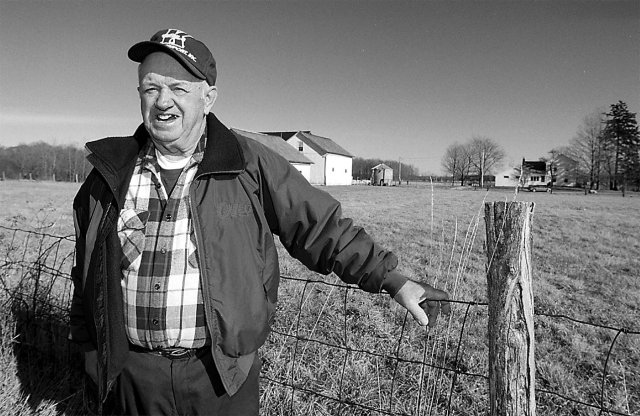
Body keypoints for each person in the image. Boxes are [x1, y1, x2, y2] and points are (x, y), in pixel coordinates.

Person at [69, 28, 450, 416]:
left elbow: (320, 228)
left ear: (208, 98)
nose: (163, 101)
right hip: (133, 377)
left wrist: (392, 280)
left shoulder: (247, 163)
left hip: (220, 375)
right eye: (150, 89)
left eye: (179, 89)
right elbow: (85, 270)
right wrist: (89, 349)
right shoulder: (109, 174)